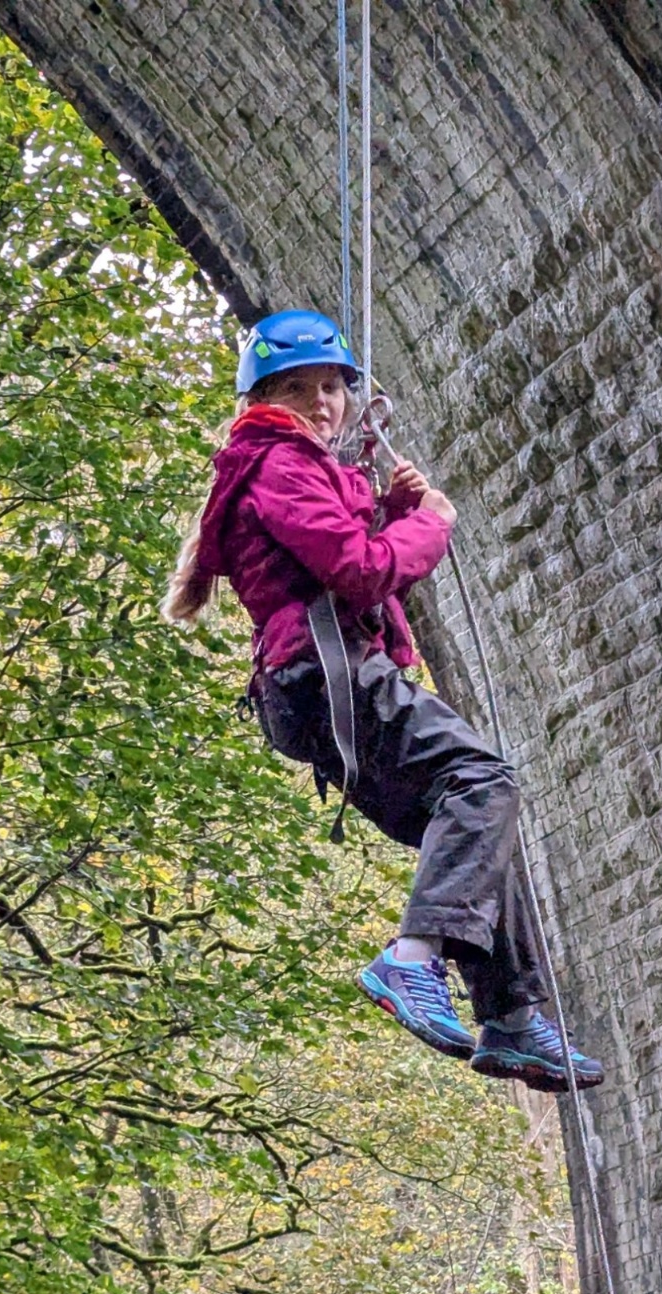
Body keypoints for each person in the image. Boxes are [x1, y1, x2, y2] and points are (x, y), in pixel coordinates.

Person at [163, 309, 603, 1093]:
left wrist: (395, 514)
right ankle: (411, 960)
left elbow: (343, 559)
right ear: (261, 399)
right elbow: (361, 572)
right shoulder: (279, 464)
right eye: (299, 388)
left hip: (313, 687)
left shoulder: (288, 466)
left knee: (470, 827)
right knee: (483, 782)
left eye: (332, 387)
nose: (322, 402)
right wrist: (430, 526)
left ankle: (509, 1016)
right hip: (329, 676)